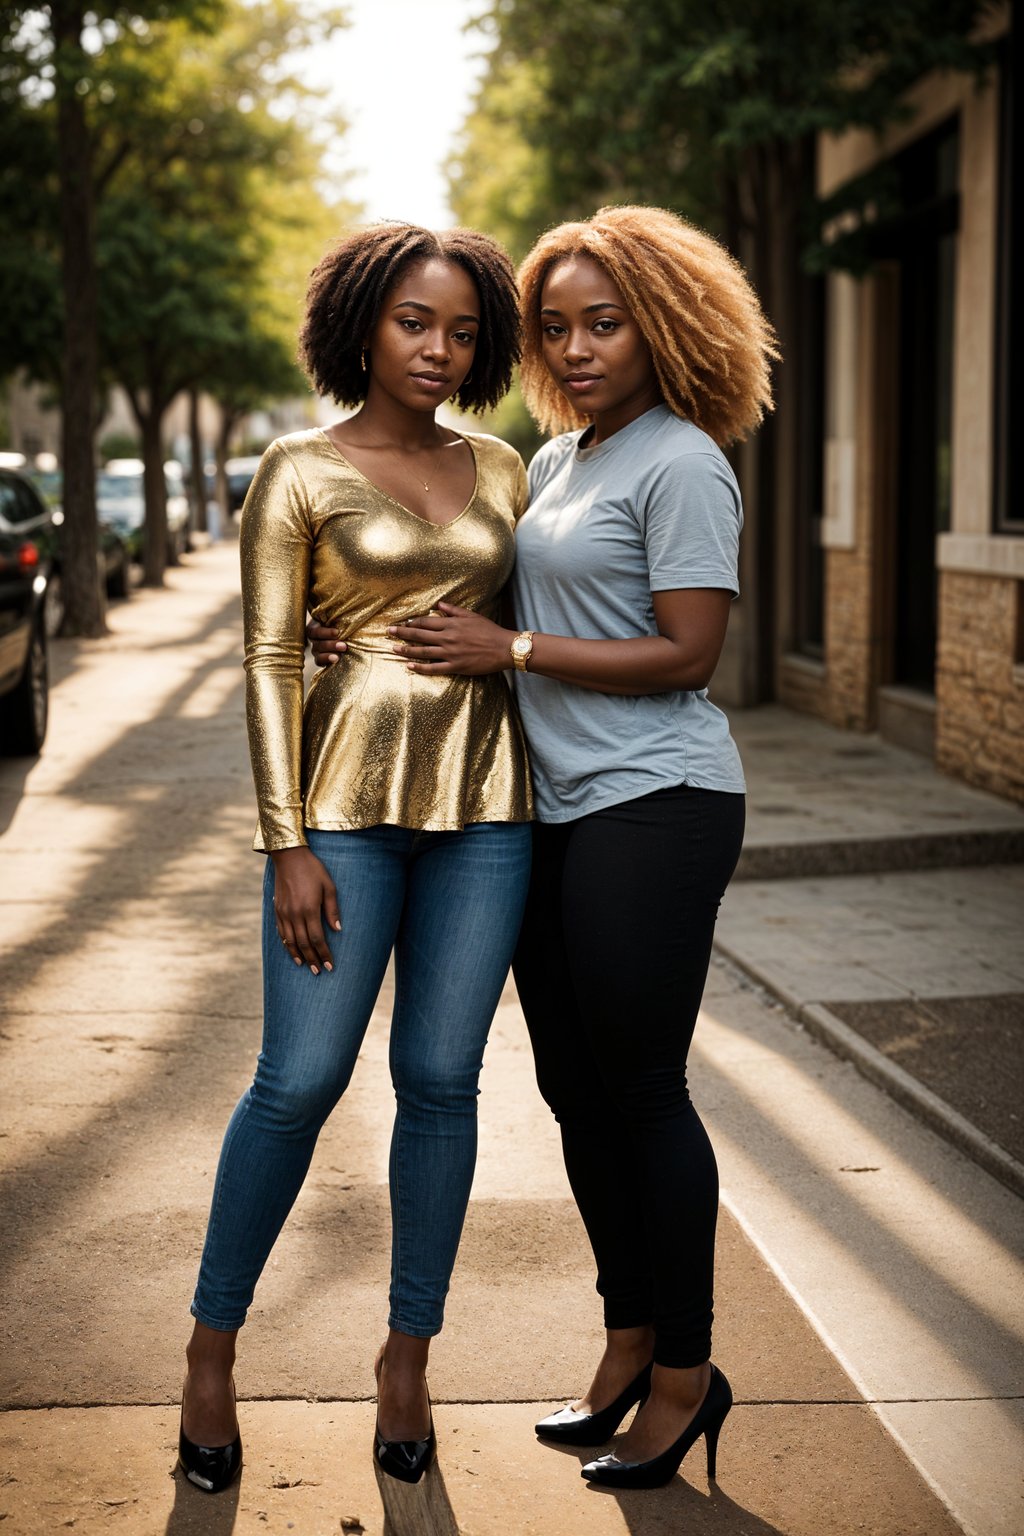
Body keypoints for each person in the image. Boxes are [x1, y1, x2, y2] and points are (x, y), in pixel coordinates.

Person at [312, 203, 777, 1490]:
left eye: (604, 324)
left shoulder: (680, 461)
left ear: (662, 326)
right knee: (575, 1092)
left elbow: (689, 652)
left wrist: (510, 648)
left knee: (641, 1091)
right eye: (556, 327)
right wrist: (356, 638)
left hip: (657, 807)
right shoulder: (561, 460)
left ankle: (687, 1374)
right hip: (558, 810)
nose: (574, 349)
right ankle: (627, 1343)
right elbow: (475, 595)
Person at [178, 222, 533, 1495]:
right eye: (413, 323)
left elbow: (529, 626)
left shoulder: (503, 466)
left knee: (442, 1080)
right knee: (299, 1078)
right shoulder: (296, 468)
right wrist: (286, 845)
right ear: (361, 327)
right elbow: (272, 659)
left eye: (461, 329)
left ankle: (405, 1358)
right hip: (339, 817)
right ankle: (211, 1354)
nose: (438, 349)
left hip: (489, 812)